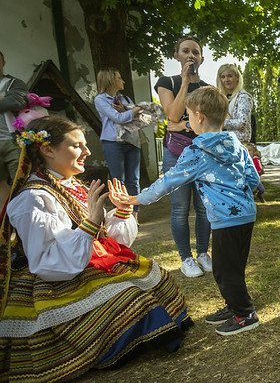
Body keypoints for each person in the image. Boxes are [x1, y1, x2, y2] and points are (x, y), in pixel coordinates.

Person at [0, 117, 191, 380]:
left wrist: (121, 212)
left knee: (156, 277)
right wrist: (90, 222)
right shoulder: (33, 198)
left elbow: (106, 240)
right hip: (54, 277)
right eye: (77, 145)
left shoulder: (69, 185)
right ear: (47, 149)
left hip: (81, 263)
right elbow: (45, 260)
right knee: (130, 298)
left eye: (85, 145)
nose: (87, 152)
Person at [126, 87, 262, 336]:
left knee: (224, 269)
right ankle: (234, 306)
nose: (187, 121)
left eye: (188, 116)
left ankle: (245, 314)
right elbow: (253, 176)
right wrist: (251, 193)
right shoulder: (237, 144)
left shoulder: (196, 152)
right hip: (246, 214)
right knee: (234, 266)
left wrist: (137, 198)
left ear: (199, 116)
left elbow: (169, 181)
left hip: (226, 219)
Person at [154, 35, 212, 278]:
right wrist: (186, 82)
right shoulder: (167, 81)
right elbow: (173, 114)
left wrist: (181, 124)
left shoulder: (209, 88)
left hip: (202, 153)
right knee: (179, 208)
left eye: (195, 52)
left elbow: (208, 124)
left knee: (203, 207)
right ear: (177, 55)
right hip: (176, 154)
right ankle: (185, 258)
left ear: (202, 58)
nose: (190, 55)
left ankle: (202, 253)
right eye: (185, 51)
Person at [93, 67, 142, 216]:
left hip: (132, 142)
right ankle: (122, 214)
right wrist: (133, 110)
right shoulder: (100, 99)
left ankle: (134, 216)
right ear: (110, 80)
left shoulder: (125, 99)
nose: (123, 81)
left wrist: (128, 110)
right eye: (119, 78)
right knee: (118, 182)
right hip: (113, 143)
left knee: (134, 181)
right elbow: (118, 118)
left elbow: (138, 119)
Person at [0, 50, 29, 206]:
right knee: (1, 187)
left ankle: (24, 219)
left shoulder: (14, 83)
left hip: (13, 142)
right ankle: (5, 225)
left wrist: (6, 100)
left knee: (22, 183)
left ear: (3, 62)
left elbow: (16, 102)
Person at [217, 64, 254, 144]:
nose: (226, 80)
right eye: (223, 77)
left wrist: (218, 122)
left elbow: (242, 122)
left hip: (239, 144)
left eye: (229, 76)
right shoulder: (221, 98)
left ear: (237, 77)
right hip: (225, 142)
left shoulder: (243, 97)